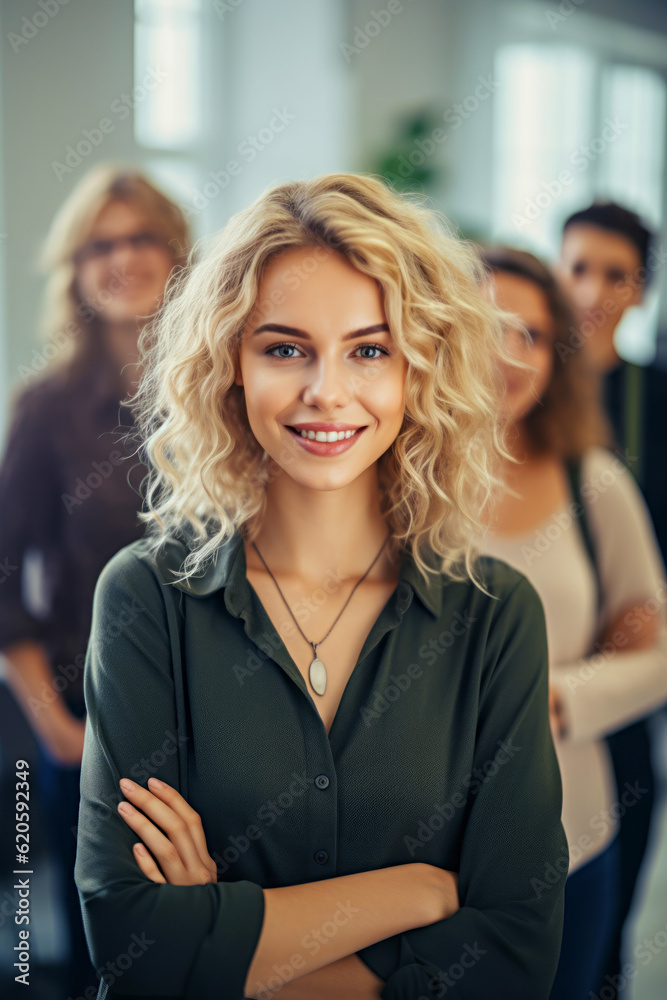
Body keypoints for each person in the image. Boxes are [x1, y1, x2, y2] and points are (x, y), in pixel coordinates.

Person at [74, 173, 568, 1000]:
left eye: (369, 350)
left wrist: (226, 949)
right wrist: (417, 894)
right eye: (284, 347)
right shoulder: (146, 597)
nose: (325, 391)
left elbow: (514, 956)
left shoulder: (494, 615)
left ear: (419, 371)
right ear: (231, 362)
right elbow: (133, 946)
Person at [0, 163, 190, 998]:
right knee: (101, 960)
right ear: (75, 270)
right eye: (100, 244)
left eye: (143, 236)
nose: (124, 258)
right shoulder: (46, 408)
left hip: (222, 717)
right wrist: (56, 728)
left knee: (207, 944)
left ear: (179, 253)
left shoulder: (222, 387)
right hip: (91, 724)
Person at [477, 246, 667, 1000]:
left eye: (531, 336)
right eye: (490, 327)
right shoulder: (384, 478)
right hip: (407, 858)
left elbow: (656, 650)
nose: (510, 355)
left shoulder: (593, 483)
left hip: (570, 836)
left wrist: (562, 699)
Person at [560, 202, 667, 996]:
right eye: (577, 268)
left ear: (640, 293)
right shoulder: (517, 392)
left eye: (614, 274)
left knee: (605, 904)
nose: (591, 290)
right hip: (536, 675)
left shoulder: (653, 401)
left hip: (630, 680)